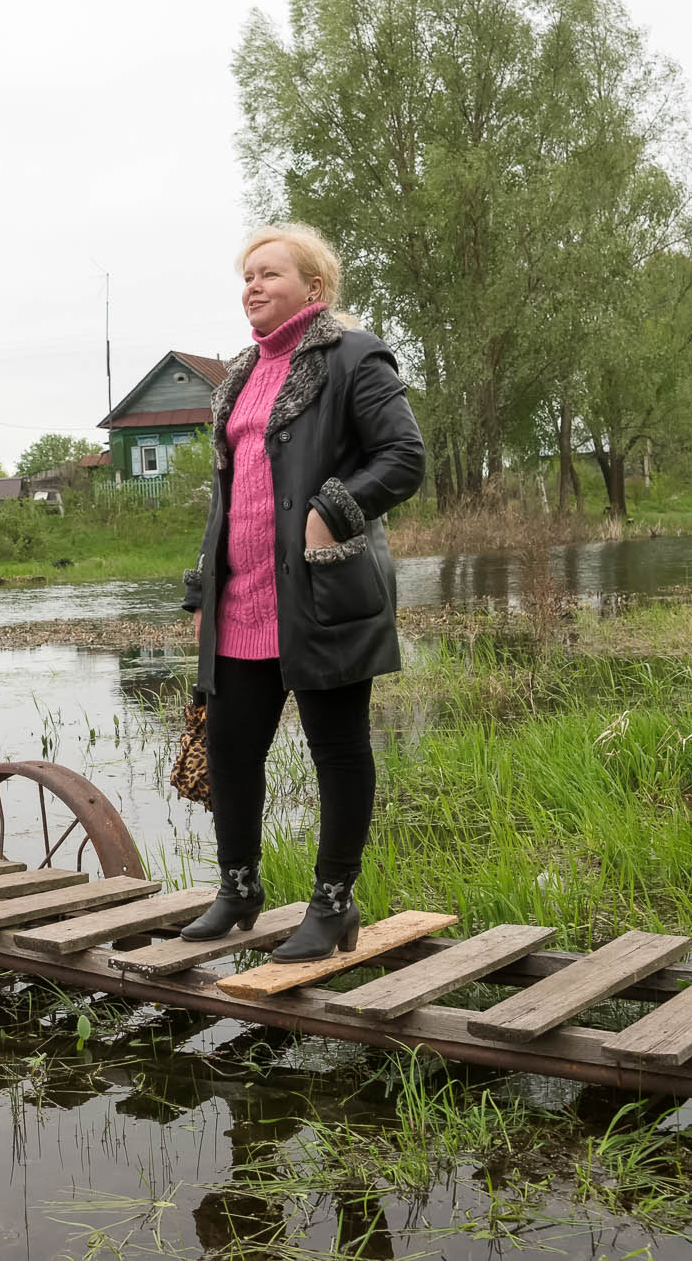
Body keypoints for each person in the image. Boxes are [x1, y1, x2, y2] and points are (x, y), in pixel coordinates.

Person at [177, 224, 425, 961]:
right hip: (244, 600)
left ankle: (332, 904)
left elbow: (403, 458)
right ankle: (239, 889)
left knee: (337, 752)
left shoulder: (354, 355)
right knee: (230, 750)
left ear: (313, 289)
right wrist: (204, 594)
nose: (251, 286)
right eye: (245, 275)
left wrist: (331, 511)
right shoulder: (244, 373)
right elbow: (232, 498)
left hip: (321, 599)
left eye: (268, 274)